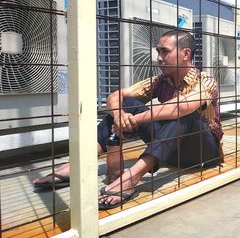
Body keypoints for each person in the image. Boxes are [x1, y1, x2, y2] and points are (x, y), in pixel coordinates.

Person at [33, 29, 224, 210]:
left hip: (202, 154)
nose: (158, 58)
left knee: (186, 114)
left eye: (164, 52)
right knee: (127, 103)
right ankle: (79, 165)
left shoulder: (206, 81)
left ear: (186, 54)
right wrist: (120, 116)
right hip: (169, 148)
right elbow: (117, 95)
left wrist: (136, 119)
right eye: (158, 51)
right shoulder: (160, 81)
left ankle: (130, 180)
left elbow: (179, 107)